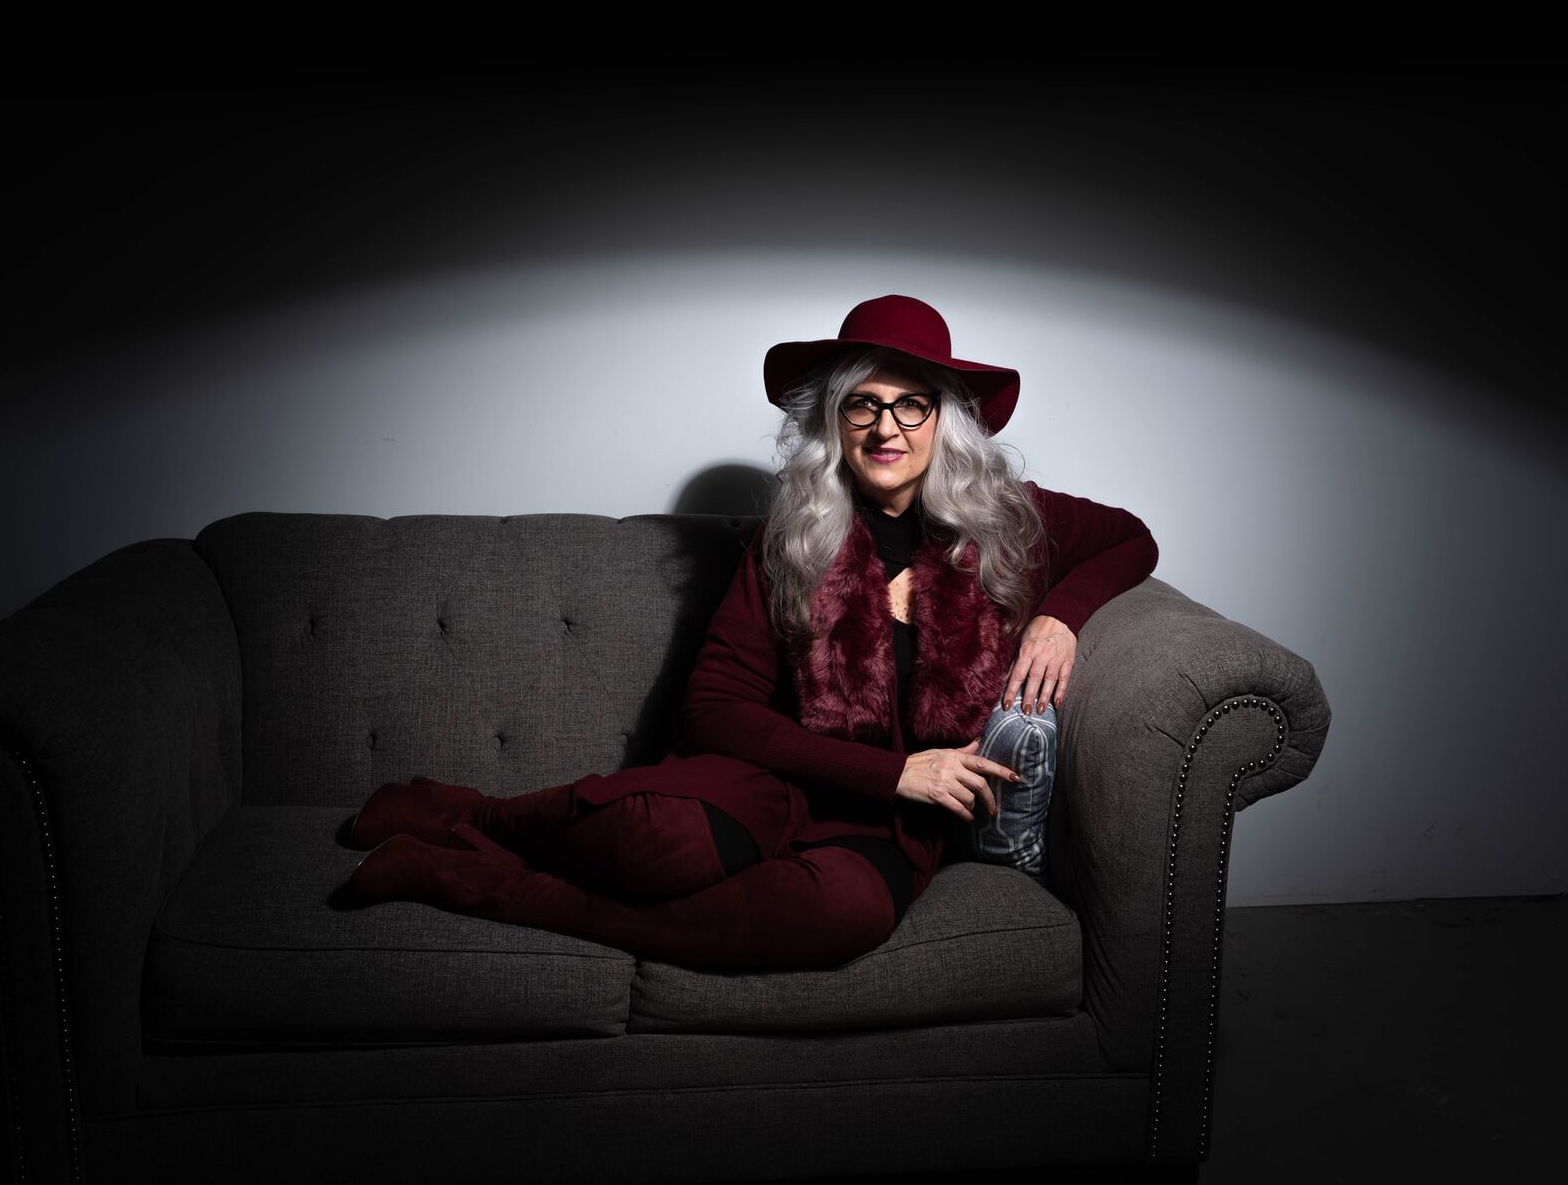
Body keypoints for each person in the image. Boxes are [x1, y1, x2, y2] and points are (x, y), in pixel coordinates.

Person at [332, 294, 1158, 970]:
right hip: (775, 780)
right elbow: (714, 711)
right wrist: (893, 771)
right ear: (837, 422)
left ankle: (469, 880)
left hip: (888, 832)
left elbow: (1132, 538)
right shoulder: (791, 537)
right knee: (656, 843)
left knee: (833, 920)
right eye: (863, 404)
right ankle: (473, 816)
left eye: (911, 404)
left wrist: (1060, 615)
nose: (887, 428)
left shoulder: (1011, 523)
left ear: (946, 420)